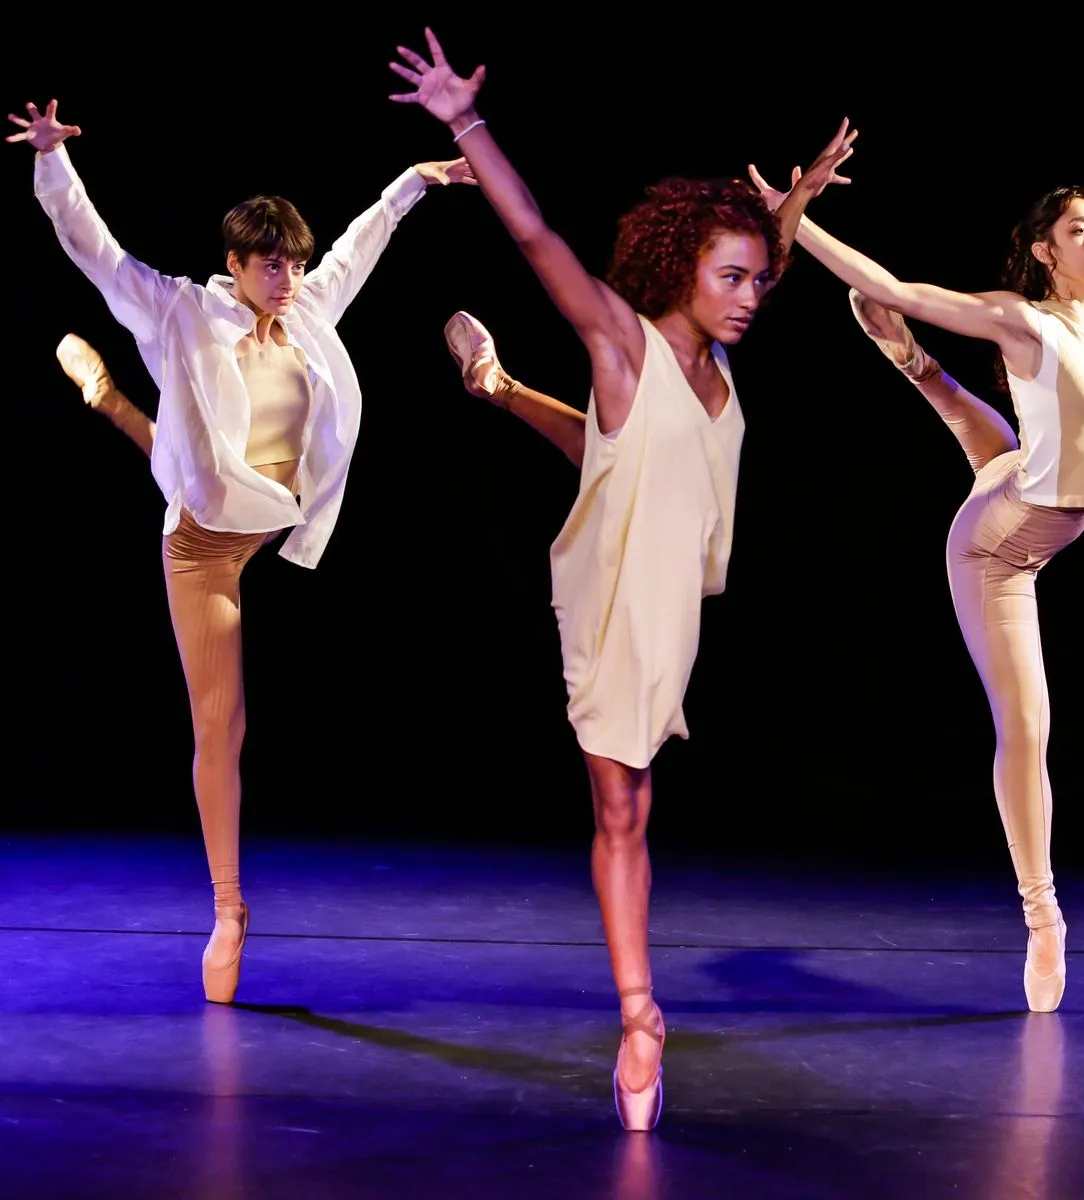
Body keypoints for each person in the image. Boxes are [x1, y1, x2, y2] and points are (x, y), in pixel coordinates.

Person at [385, 27, 850, 1130]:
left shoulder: (717, 353)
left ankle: (498, 388)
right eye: (731, 278)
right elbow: (537, 235)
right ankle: (641, 1019)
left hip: (671, 590)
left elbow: (763, 263)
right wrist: (464, 120)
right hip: (611, 599)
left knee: (613, 453)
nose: (752, 295)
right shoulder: (623, 344)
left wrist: (791, 211)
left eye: (757, 280)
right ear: (679, 270)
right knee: (621, 803)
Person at [10, 97, 475, 1006]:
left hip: (263, 514)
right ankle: (229, 909)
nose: (288, 276)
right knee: (222, 726)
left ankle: (111, 402)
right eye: (271, 263)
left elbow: (358, 248)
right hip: (205, 551)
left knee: (185, 459)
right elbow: (95, 250)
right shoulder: (181, 311)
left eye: (295, 262)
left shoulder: (306, 312)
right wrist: (52, 160)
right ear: (235, 263)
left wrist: (415, 181)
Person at [746, 156, 1084, 1014]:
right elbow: (889, 285)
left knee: (1002, 460)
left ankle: (917, 370)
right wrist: (795, 212)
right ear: (1043, 250)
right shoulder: (1021, 319)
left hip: (1024, 495)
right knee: (1027, 726)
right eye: (1078, 230)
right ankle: (1042, 918)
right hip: (994, 550)